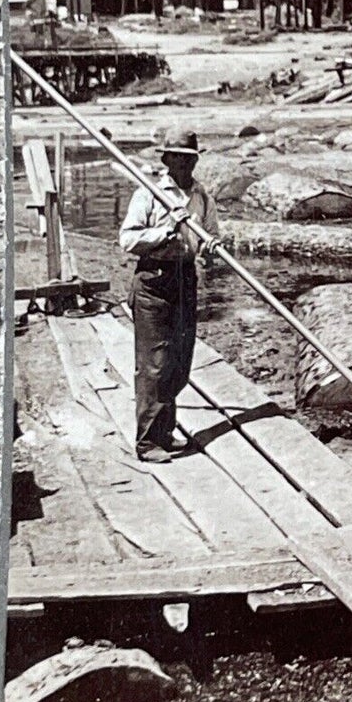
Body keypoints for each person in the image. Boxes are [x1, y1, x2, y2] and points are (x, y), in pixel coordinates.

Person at [118, 129, 219, 463]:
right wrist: (167, 230)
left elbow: (211, 237)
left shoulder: (201, 195)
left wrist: (212, 247)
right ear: (166, 159)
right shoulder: (149, 194)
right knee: (154, 365)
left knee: (179, 363)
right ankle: (147, 443)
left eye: (190, 156)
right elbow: (128, 240)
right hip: (154, 281)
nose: (186, 162)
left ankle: (165, 432)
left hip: (185, 280)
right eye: (178, 156)